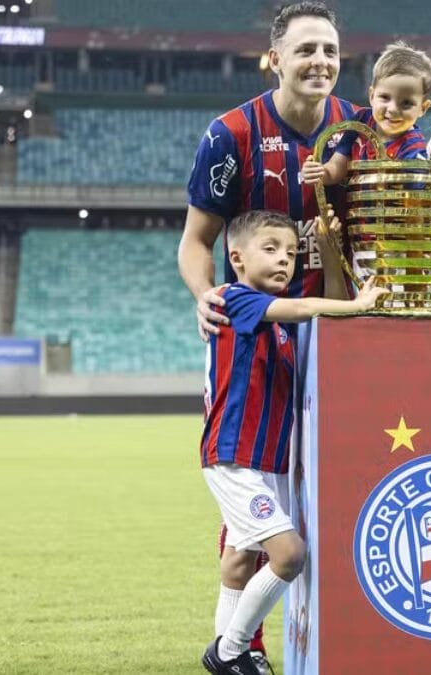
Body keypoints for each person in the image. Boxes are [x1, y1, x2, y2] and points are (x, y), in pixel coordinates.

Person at [178, 3, 358, 670]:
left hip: (334, 322)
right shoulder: (232, 133)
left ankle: (252, 643)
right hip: (262, 323)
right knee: (259, 492)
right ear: (275, 58)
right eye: (306, 48)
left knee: (300, 485)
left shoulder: (356, 130)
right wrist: (207, 295)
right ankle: (238, 646)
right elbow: (196, 241)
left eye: (330, 50)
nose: (319, 61)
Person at [199, 210, 386, 675]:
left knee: (241, 559)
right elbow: (307, 307)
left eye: (290, 252)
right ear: (235, 257)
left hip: (268, 461)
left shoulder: (276, 323)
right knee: (290, 554)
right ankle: (229, 651)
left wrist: (327, 258)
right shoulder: (233, 298)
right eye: (271, 249)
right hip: (235, 455)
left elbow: (311, 313)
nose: (284, 260)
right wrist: (362, 304)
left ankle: (232, 656)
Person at [302, 40, 431, 186]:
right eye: (385, 97)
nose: (393, 109)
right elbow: (337, 167)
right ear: (371, 96)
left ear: (423, 108)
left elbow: (413, 200)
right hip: (353, 209)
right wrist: (321, 173)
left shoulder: (414, 150)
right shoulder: (360, 121)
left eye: (406, 103)